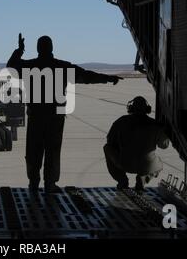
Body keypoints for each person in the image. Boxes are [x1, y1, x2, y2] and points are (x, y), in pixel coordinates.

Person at [7, 33, 123, 193]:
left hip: (36, 117)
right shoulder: (62, 66)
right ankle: (50, 184)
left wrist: (19, 50)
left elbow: (11, 68)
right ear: (52, 48)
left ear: (38, 48)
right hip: (55, 117)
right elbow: (86, 76)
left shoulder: (29, 66)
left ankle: (33, 183)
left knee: (34, 150)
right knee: (53, 151)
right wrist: (107, 78)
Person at [104, 96, 170, 192]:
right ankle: (143, 179)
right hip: (146, 166)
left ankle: (122, 180)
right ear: (147, 109)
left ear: (131, 108)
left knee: (107, 148)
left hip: (125, 163)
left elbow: (110, 141)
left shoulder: (121, 121)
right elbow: (164, 145)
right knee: (159, 164)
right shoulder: (155, 124)